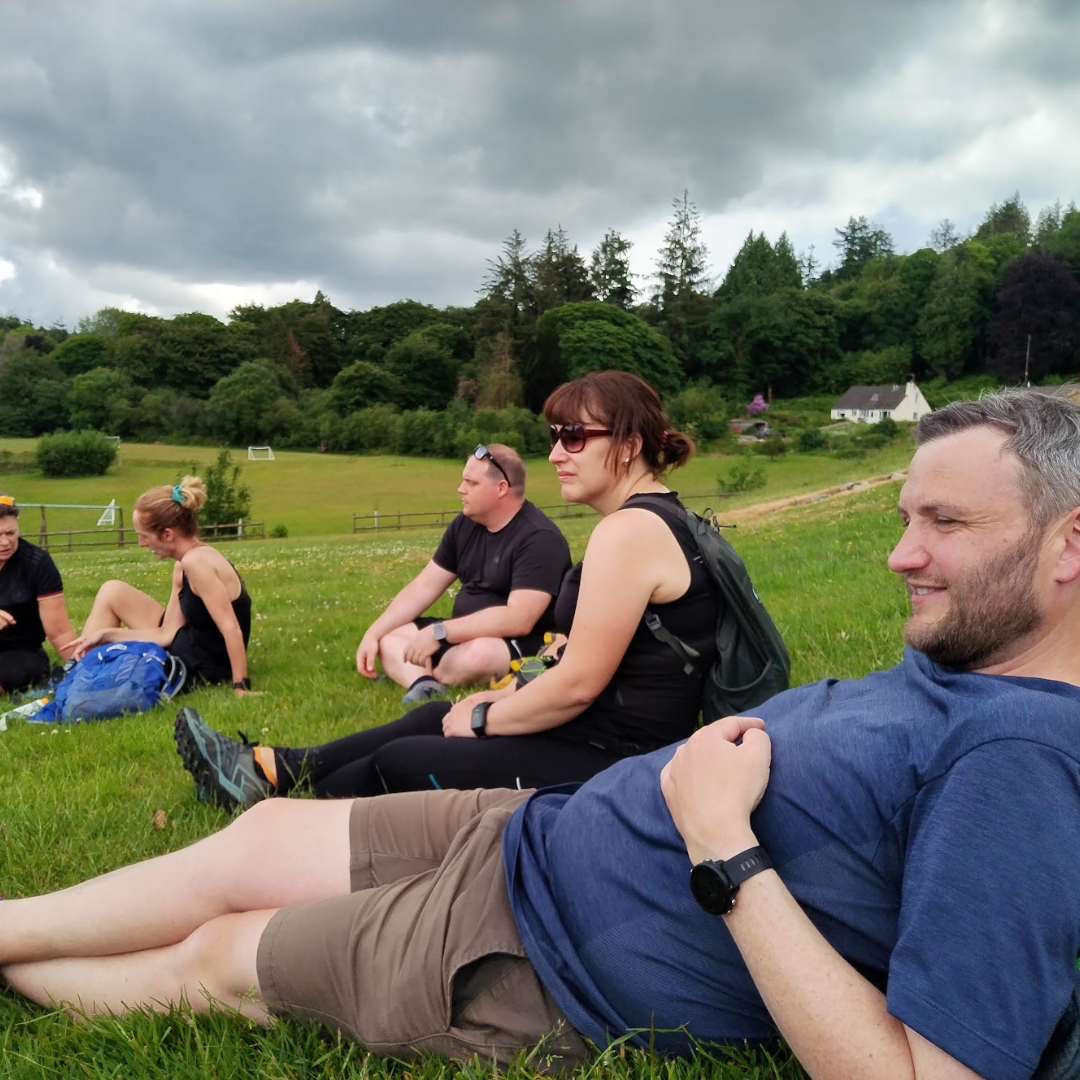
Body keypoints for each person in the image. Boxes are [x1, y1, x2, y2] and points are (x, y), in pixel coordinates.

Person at [6, 386, 1080, 1080]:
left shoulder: (1019, 765)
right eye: (903, 517)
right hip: (536, 828)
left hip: (546, 949)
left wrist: (726, 852)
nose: (899, 555)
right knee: (260, 840)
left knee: (219, 955)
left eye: (943, 523)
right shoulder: (973, 669)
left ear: (1069, 545)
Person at [174, 371, 719, 809]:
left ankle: (287, 815)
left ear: (628, 445)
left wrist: (484, 716)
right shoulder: (651, 520)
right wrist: (500, 696)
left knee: (407, 760)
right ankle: (270, 766)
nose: (555, 454)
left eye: (573, 437)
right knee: (427, 718)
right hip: (596, 731)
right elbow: (572, 652)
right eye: (555, 437)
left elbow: (578, 686)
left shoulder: (628, 531)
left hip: (616, 756)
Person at [356, 443, 571, 706]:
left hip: (518, 642)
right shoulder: (465, 525)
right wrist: (373, 633)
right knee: (390, 635)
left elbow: (520, 618)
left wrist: (440, 632)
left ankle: (416, 671)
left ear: (501, 488)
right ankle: (424, 683)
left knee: (478, 655)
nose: (461, 489)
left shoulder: (539, 538)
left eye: (471, 482)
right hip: (459, 634)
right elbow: (424, 586)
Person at [71, 476, 253, 695]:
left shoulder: (197, 563)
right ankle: (76, 671)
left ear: (167, 534)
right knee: (113, 590)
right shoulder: (184, 565)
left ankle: (75, 677)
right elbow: (165, 634)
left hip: (200, 665)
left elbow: (231, 627)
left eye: (144, 536)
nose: (141, 543)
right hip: (183, 642)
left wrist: (240, 685)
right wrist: (106, 634)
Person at [0, 493, 77, 693]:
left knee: (19, 673)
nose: (5, 542)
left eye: (10, 533)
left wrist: (83, 669)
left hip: (19, 649)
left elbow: (59, 631)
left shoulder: (38, 563)